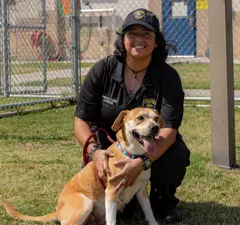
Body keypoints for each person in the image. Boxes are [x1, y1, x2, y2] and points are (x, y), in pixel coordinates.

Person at [74, 8, 190, 224]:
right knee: (107, 198)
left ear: (156, 42)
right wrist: (94, 151)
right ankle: (126, 201)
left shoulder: (168, 77)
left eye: (147, 34)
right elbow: (81, 119)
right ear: (123, 39)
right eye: (132, 33)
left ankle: (163, 203)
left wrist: (142, 162)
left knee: (175, 156)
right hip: (107, 146)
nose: (139, 39)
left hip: (151, 141)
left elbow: (169, 129)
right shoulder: (103, 69)